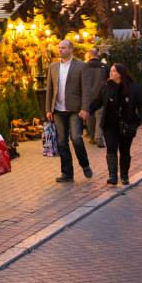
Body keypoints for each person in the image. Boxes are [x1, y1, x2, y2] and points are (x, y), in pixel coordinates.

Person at [87, 64, 142, 186]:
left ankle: (124, 176)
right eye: (110, 71)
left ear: (120, 73)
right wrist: (88, 111)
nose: (111, 73)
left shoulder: (133, 88)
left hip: (127, 123)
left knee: (125, 151)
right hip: (110, 124)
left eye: (114, 71)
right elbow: (98, 101)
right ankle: (112, 176)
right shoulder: (105, 86)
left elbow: (141, 104)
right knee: (111, 149)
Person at [45, 39, 93, 182]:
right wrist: (48, 109)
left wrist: (85, 108)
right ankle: (67, 173)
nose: (60, 50)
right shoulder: (53, 67)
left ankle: (85, 165)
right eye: (59, 48)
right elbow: (50, 89)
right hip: (58, 110)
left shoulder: (81, 66)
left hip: (74, 109)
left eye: (64, 48)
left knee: (77, 138)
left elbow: (86, 89)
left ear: (71, 49)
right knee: (61, 142)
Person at [81, 48, 108, 147]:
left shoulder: (84, 66)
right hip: (100, 96)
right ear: (97, 55)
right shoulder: (104, 66)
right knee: (100, 117)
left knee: (90, 118)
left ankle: (92, 137)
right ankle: (99, 136)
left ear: (89, 55)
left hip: (88, 97)